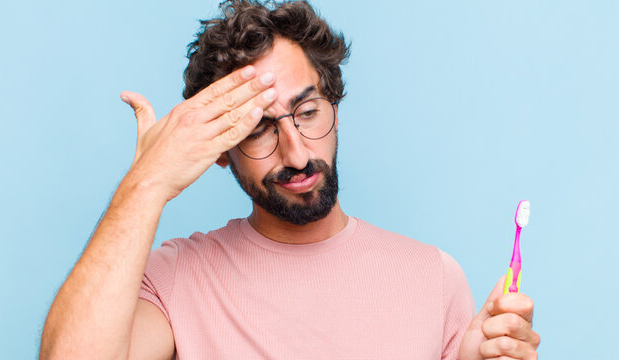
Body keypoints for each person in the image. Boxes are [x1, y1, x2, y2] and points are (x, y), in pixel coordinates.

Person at [40, 0, 540, 359]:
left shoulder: (433, 277)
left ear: (336, 109)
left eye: (307, 110)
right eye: (259, 129)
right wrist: (146, 183)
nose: (297, 153)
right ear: (217, 151)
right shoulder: (172, 281)